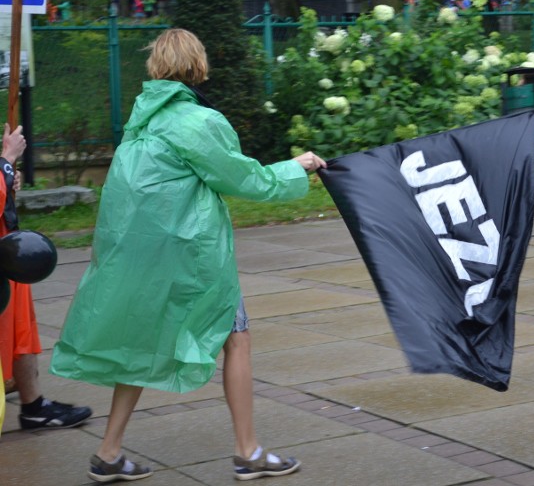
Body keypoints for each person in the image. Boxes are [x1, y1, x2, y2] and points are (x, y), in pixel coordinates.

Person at [49, 29, 326, 482]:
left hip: (141, 258)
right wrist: (297, 168)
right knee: (237, 338)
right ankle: (248, 451)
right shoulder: (198, 122)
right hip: (191, 260)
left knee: (136, 346)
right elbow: (245, 180)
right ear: (198, 66)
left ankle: (110, 452)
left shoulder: (141, 124)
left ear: (156, 66)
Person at [0, 123, 93, 431]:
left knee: (21, 328)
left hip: (8, 251)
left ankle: (34, 404)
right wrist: (6, 161)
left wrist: (7, 176)